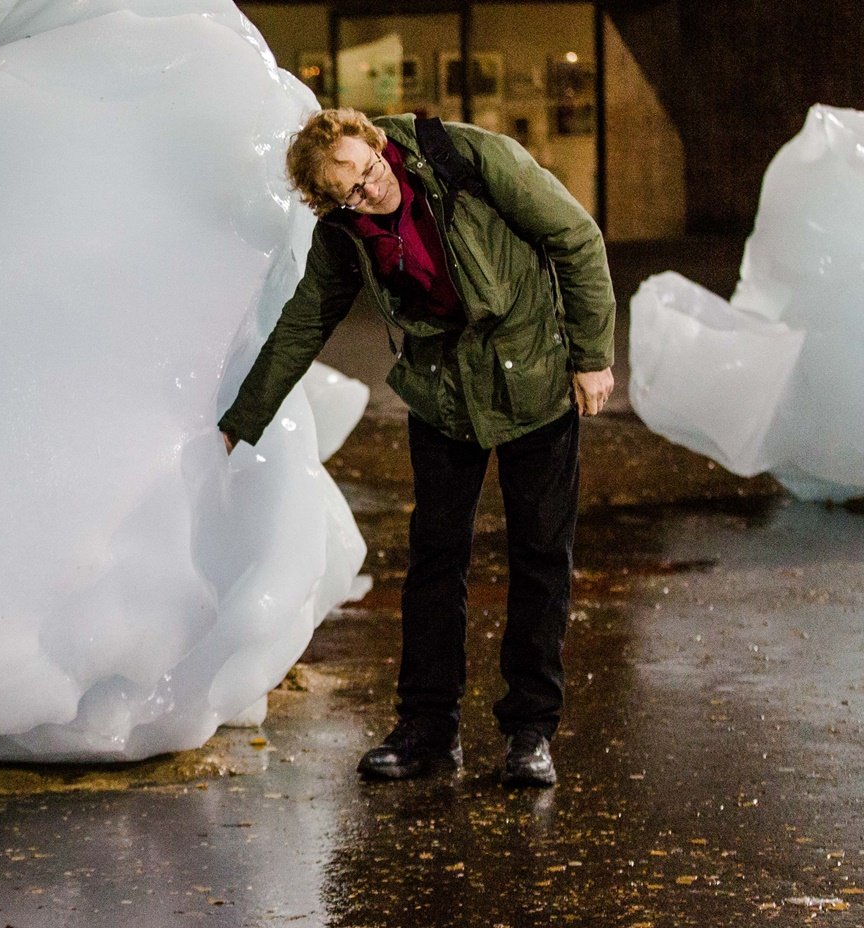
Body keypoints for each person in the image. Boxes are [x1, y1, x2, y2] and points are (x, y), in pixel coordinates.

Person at [218, 108, 615, 788]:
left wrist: (592, 356)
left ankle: (530, 732)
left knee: (541, 554)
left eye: (368, 173)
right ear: (327, 200)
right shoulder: (344, 234)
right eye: (348, 192)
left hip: (532, 379)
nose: (369, 192)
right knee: (434, 559)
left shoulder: (470, 158)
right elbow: (304, 322)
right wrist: (240, 421)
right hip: (443, 393)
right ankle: (428, 729)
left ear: (374, 143)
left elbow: (576, 238)